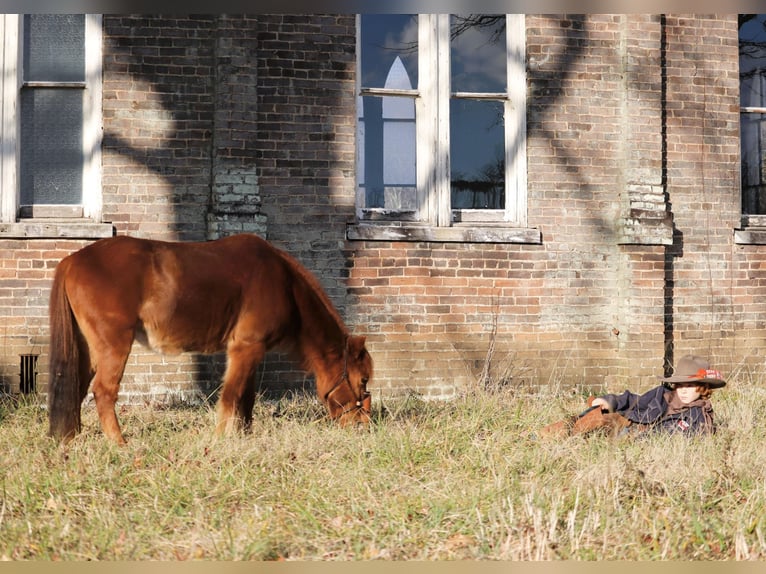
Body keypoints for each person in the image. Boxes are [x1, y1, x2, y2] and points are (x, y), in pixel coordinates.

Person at [540, 354, 726, 438]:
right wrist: (610, 400)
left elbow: (691, 436)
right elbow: (633, 400)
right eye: (681, 386)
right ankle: (549, 435)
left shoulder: (699, 414)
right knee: (601, 416)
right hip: (630, 422)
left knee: (598, 435)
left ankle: (574, 437)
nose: (684, 391)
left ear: (702, 388)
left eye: (691, 386)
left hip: (640, 436)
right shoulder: (662, 395)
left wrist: (640, 439)